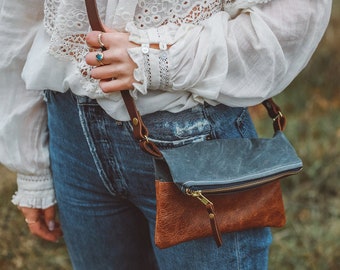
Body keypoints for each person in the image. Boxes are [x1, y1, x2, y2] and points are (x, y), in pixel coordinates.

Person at [0, 0, 332, 269]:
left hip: (194, 138)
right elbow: (18, 16)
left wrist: (162, 60)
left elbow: (297, 13)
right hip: (73, 136)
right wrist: (31, 166)